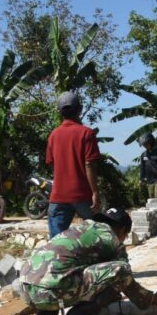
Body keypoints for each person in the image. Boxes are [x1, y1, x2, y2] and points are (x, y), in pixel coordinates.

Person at [18, 208, 157, 315]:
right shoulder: (111, 237)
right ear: (123, 231)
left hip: (26, 290)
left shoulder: (81, 229)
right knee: (120, 270)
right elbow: (123, 275)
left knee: (60, 270)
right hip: (53, 290)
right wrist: (151, 299)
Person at [45, 91, 101, 238]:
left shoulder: (53, 135)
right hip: (83, 195)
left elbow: (52, 165)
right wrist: (95, 192)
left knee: (56, 243)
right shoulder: (86, 133)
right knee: (96, 237)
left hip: (58, 196)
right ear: (80, 109)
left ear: (59, 112)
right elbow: (89, 164)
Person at [139, 132, 157, 199]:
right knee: (151, 201)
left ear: (151, 142)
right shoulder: (144, 155)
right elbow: (142, 168)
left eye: (146, 144)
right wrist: (141, 179)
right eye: (144, 145)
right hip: (149, 181)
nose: (145, 146)